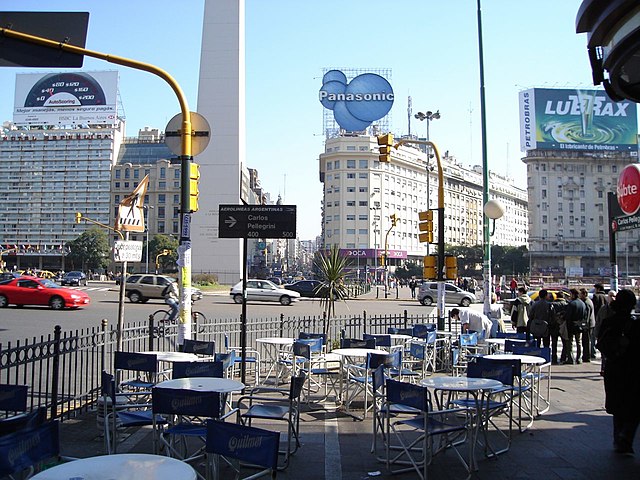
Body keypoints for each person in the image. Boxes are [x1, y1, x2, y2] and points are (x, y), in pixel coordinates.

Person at [596, 289, 640, 456]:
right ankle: (626, 437)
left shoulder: (609, 322)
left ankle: (618, 438)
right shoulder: (635, 324)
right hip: (633, 369)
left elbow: (599, 343)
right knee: (634, 404)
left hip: (613, 368)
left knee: (617, 405)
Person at [563, 288, 586, 364]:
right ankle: (579, 358)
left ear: (573, 294)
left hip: (571, 325)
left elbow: (568, 316)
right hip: (580, 325)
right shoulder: (582, 303)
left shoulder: (572, 304)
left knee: (570, 343)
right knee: (578, 342)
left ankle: (570, 359)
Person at [578, 288, 595, 363]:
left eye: (580, 294)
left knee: (586, 341)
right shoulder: (588, 301)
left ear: (584, 294)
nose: (579, 295)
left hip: (588, 325)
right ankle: (586, 356)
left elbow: (587, 316)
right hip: (590, 324)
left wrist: (584, 325)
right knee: (586, 341)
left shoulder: (587, 302)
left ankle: (586, 356)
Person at [591, 283, 608, 359]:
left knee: (593, 337)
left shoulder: (596, 296)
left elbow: (593, 308)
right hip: (605, 321)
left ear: (598, 289)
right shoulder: (606, 297)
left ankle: (593, 352)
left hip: (596, 319)